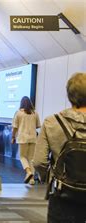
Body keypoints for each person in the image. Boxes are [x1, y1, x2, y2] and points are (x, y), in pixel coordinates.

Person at [33, 72, 86, 222]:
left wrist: (48, 178)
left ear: (69, 95)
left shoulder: (52, 122)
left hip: (63, 194)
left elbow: (39, 162)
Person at [11, 96, 41, 184]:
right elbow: (38, 125)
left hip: (22, 138)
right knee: (31, 158)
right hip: (33, 137)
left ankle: (28, 172)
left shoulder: (18, 113)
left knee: (22, 157)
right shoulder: (35, 113)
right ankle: (31, 180)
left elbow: (15, 127)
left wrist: (13, 137)